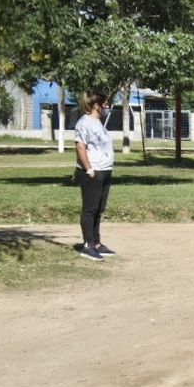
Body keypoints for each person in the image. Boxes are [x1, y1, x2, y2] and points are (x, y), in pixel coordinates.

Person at [73, 91, 116, 260]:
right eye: (105, 104)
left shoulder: (98, 122)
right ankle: (87, 245)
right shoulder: (84, 123)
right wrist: (88, 168)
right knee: (90, 209)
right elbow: (80, 147)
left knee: (99, 208)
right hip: (92, 172)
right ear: (96, 105)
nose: (107, 107)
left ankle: (96, 243)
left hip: (104, 170)